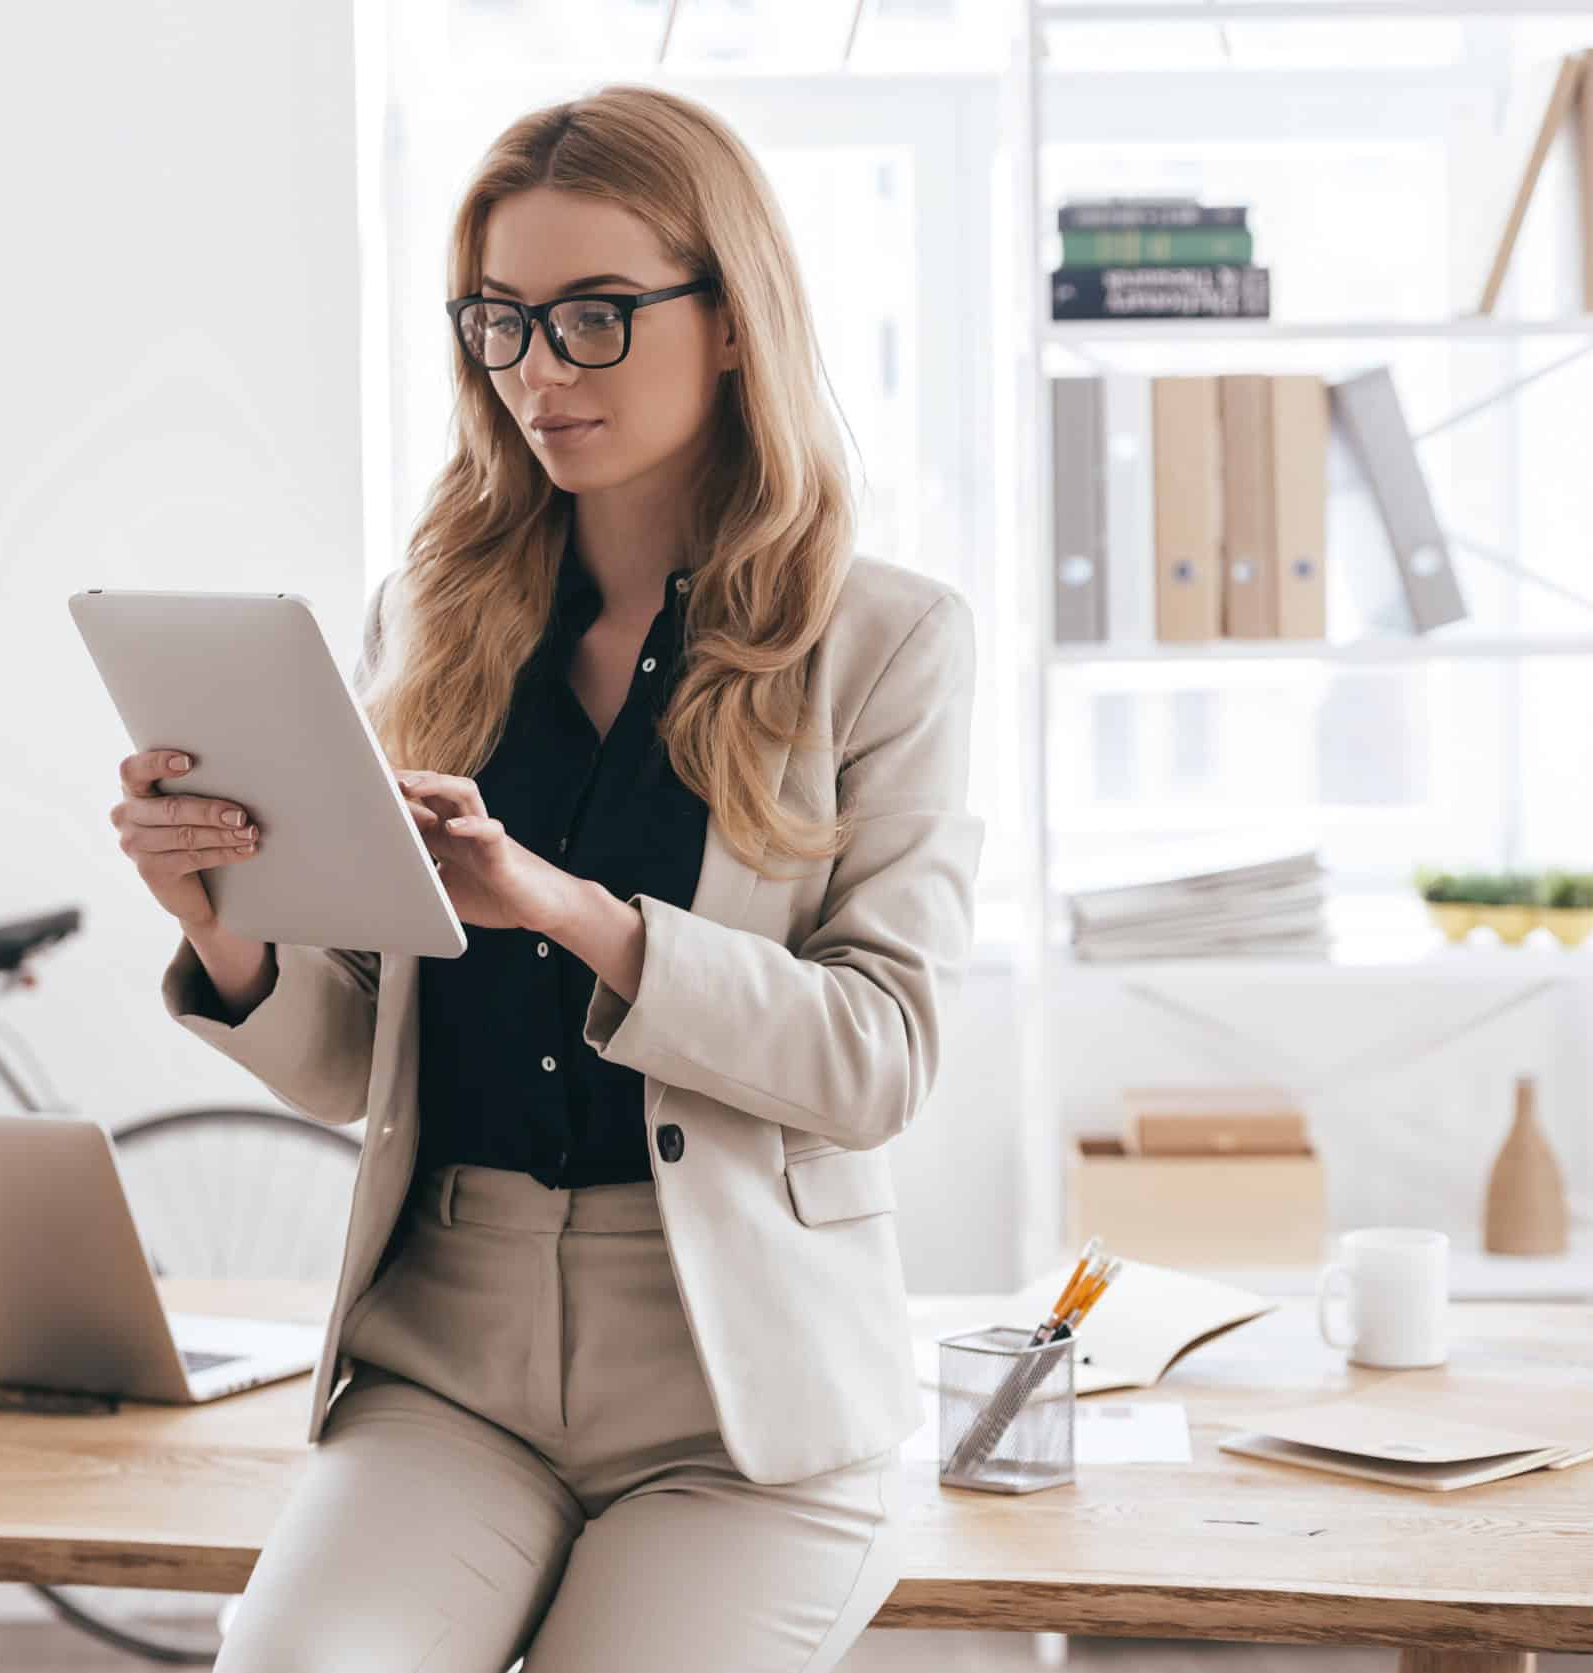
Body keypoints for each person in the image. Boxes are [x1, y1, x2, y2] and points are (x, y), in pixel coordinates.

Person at [111, 82, 983, 1673]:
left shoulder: (886, 644)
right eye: (500, 323)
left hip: (742, 1399)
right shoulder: (428, 620)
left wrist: (573, 911)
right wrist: (222, 931)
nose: (536, 371)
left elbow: (882, 1056)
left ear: (731, 319)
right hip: (449, 1365)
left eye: (594, 317)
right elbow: (350, 1061)